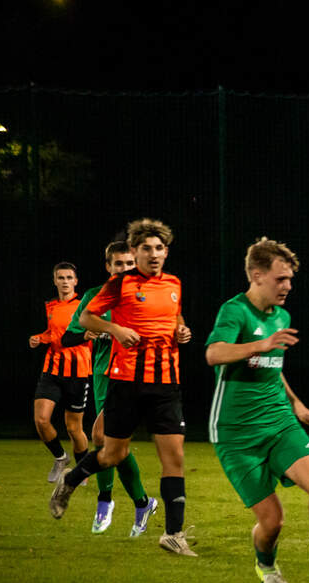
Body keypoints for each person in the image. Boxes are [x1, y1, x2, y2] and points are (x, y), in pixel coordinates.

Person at [206, 237, 309, 583]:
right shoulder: (235, 311)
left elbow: (272, 368)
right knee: (273, 522)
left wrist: (298, 406)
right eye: (281, 279)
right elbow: (214, 354)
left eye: (290, 279)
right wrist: (259, 344)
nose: (288, 286)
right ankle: (268, 569)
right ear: (257, 275)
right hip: (237, 435)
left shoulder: (281, 317)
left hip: (279, 422)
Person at [48, 218, 196, 557]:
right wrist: (115, 329)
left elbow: (175, 316)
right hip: (126, 382)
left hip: (166, 383)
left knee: (174, 458)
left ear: (166, 252)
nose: (154, 254)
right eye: (146, 248)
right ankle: (70, 480)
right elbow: (85, 318)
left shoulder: (174, 283)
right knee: (112, 453)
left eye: (159, 248)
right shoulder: (120, 285)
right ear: (135, 251)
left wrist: (182, 330)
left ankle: (173, 534)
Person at [60, 240, 157, 536]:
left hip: (135, 377)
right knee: (112, 444)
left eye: (129, 264)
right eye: (119, 264)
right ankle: (141, 503)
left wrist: (179, 331)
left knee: (103, 437)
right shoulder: (94, 296)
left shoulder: (148, 295)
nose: (124, 269)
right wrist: (89, 334)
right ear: (108, 266)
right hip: (104, 375)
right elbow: (69, 336)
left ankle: (105, 501)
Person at [30, 262, 91, 483]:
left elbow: (90, 332)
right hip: (52, 369)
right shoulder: (51, 306)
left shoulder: (85, 306)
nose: (65, 282)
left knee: (74, 428)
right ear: (55, 281)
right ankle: (60, 458)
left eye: (69, 278)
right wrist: (40, 338)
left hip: (78, 371)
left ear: (76, 281)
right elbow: (53, 333)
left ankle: (82, 471)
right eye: (61, 277)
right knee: (41, 420)